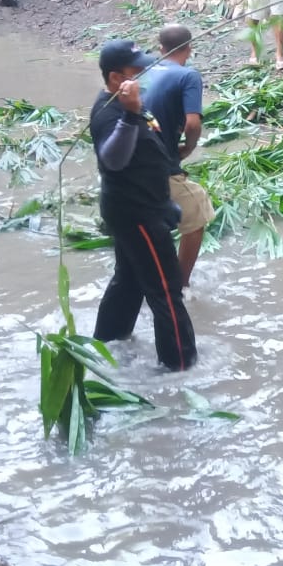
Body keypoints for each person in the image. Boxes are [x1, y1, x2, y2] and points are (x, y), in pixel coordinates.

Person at [90, 39, 198, 371]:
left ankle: (105, 344)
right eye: (135, 71)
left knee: (129, 279)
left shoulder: (129, 101)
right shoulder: (112, 112)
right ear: (113, 79)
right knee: (166, 291)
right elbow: (112, 158)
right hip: (136, 214)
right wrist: (131, 114)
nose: (144, 75)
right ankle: (180, 369)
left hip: (141, 207)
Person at [140, 24, 216, 289]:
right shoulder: (188, 76)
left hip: (129, 160)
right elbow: (193, 124)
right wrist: (189, 147)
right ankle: (179, 285)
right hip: (158, 164)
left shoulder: (144, 70)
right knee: (199, 211)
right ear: (189, 49)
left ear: (160, 48)